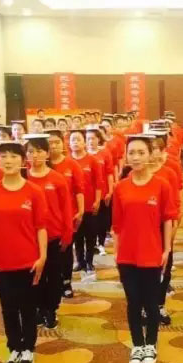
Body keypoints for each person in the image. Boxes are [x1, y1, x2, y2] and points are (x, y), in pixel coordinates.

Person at [0, 141, 48, 363]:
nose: (8, 161)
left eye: (13, 156)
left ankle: (28, 348)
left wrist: (42, 257)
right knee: (8, 307)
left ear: (23, 161)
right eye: (4, 156)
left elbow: (41, 227)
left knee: (28, 307)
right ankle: (14, 347)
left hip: (28, 260)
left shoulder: (34, 191)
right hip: (0, 262)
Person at [112, 135, 175, 363]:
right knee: (133, 302)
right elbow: (117, 225)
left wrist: (167, 249)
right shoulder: (120, 187)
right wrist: (116, 253)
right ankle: (137, 344)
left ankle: (151, 344)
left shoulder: (161, 185)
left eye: (141, 152)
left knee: (151, 302)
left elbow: (168, 219)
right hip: (127, 254)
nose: (136, 157)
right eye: (132, 153)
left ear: (150, 155)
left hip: (152, 251)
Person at [25, 134, 73, 329]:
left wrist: (67, 233)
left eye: (39, 151)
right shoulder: (23, 178)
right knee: (33, 276)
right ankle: (37, 308)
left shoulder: (57, 178)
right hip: (29, 237)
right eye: (30, 152)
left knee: (53, 276)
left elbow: (66, 208)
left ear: (47, 154)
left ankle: (51, 309)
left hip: (53, 235)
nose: (34, 155)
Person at [148, 134, 182, 326]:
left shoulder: (168, 173)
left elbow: (175, 203)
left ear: (161, 151)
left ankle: (160, 304)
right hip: (143, 228)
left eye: (155, 149)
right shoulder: (132, 174)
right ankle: (145, 305)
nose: (151, 153)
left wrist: (174, 227)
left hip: (164, 226)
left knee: (164, 266)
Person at [46, 129, 84, 298]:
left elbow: (79, 189)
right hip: (47, 216)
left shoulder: (71, 164)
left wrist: (81, 210)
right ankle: (52, 282)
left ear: (63, 143)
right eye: (50, 143)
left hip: (69, 214)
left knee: (66, 249)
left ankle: (66, 282)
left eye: (57, 142)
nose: (53, 146)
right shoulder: (41, 166)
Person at [69, 130, 102, 279]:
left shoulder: (92, 160)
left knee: (90, 235)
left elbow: (98, 182)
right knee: (77, 236)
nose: (75, 142)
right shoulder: (68, 162)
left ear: (84, 142)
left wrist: (97, 200)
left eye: (78, 139)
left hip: (90, 205)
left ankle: (89, 262)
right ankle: (80, 261)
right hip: (74, 207)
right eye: (73, 140)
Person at [86, 127, 114, 256]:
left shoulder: (105, 153)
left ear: (98, 139)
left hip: (103, 193)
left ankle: (101, 244)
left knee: (102, 220)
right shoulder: (83, 155)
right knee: (90, 222)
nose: (90, 141)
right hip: (87, 195)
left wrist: (110, 190)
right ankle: (90, 246)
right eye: (88, 139)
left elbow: (109, 173)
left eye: (93, 138)